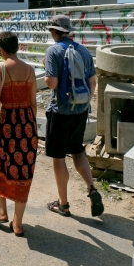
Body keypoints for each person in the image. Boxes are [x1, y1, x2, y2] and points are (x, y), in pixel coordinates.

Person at [44, 15, 104, 218]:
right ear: (68, 32)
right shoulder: (84, 51)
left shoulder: (53, 51)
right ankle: (92, 188)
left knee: (59, 158)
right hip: (80, 111)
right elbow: (93, 83)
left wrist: (46, 68)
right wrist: (84, 105)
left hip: (60, 112)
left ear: (54, 31)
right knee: (78, 152)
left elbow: (51, 83)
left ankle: (63, 204)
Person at [0, 31, 37, 237]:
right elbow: (33, 103)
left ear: (1, 49)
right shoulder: (30, 70)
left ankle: (1, 212)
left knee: (0, 164)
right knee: (23, 170)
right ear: (18, 47)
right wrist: (30, 127)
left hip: (5, 126)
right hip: (26, 127)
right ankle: (18, 223)